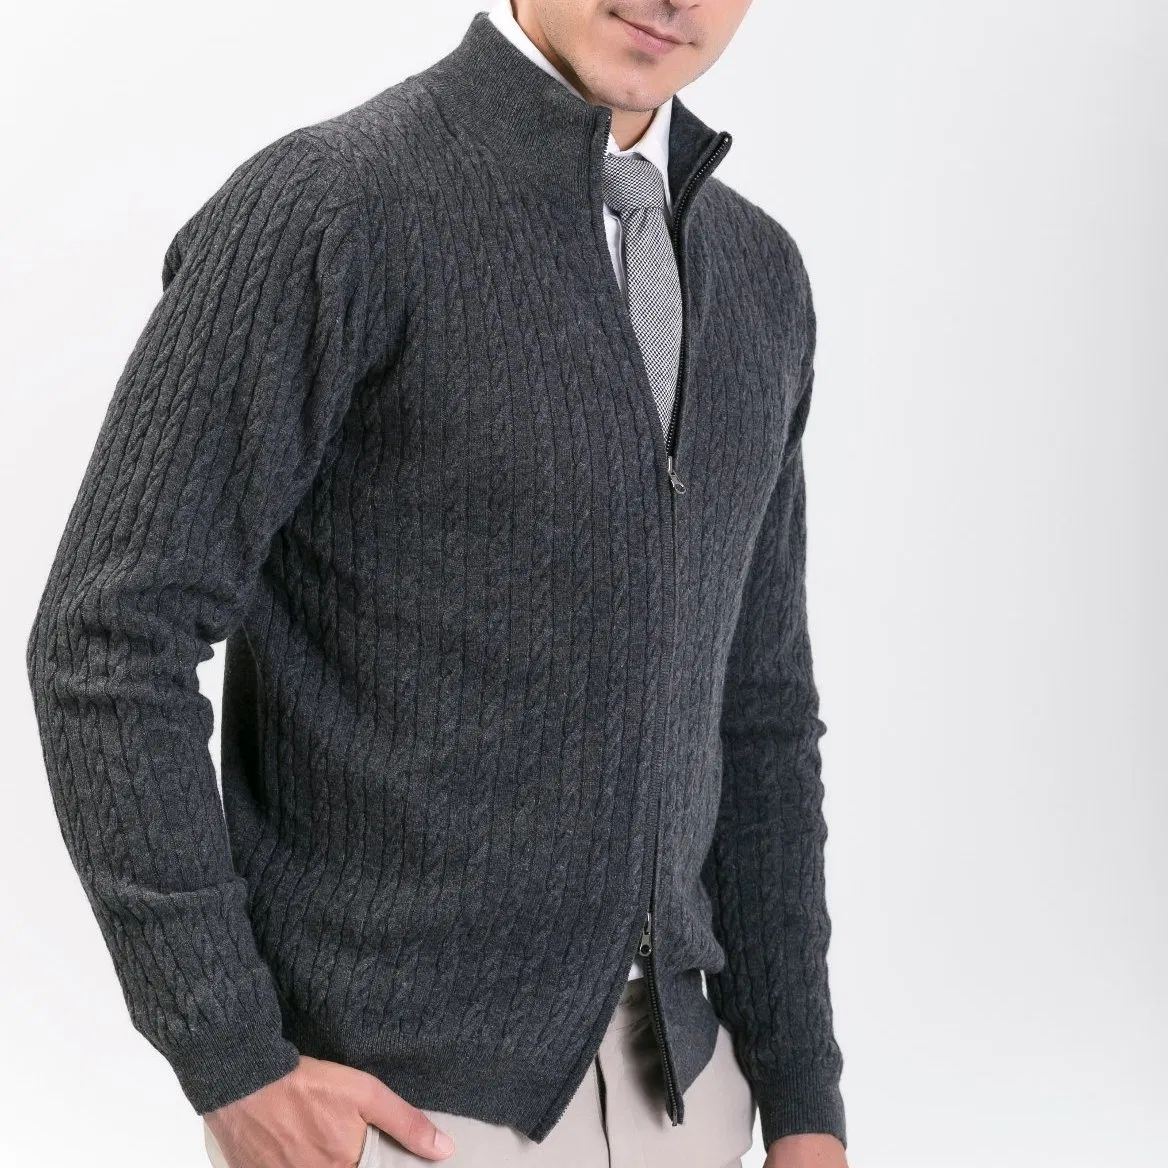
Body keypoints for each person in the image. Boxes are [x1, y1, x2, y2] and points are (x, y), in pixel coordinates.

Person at [25, 2, 848, 1165]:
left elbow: (756, 708)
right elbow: (109, 637)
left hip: (690, 1095)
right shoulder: (331, 207)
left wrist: (804, 1098)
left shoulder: (758, 276)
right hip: (399, 1110)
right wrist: (230, 1054)